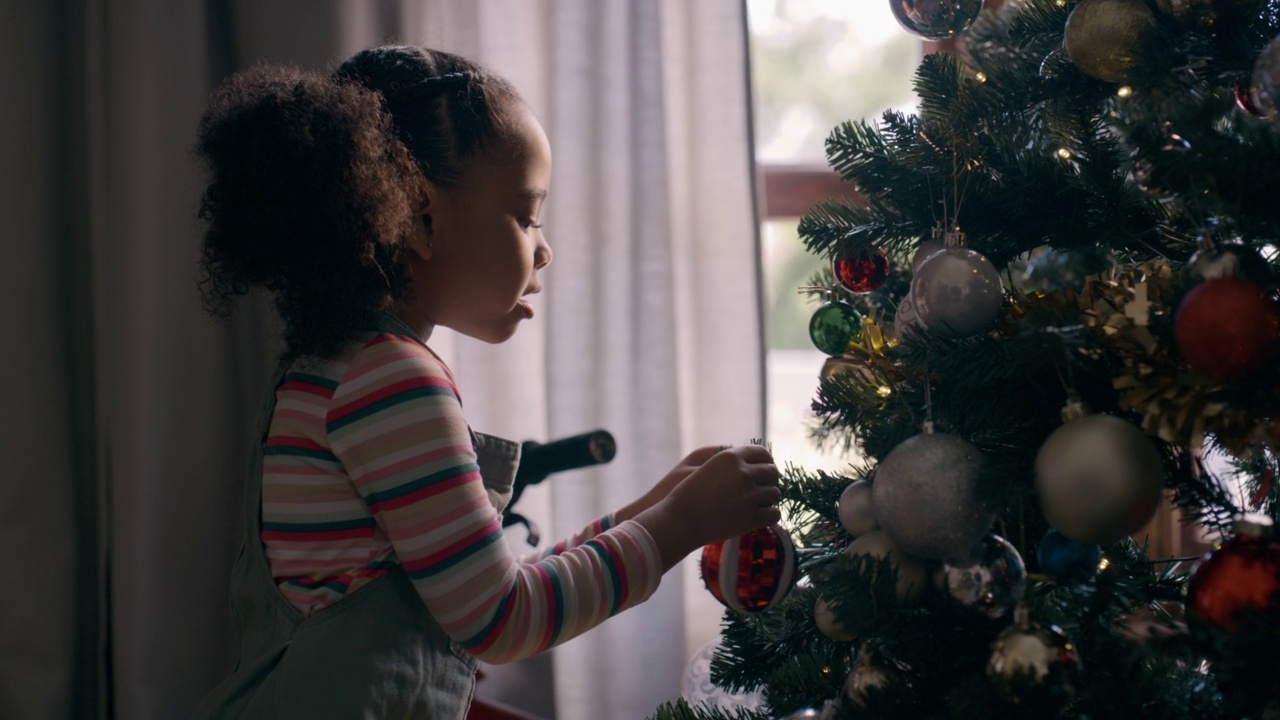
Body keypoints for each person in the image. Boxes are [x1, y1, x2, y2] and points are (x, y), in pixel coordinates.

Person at [190, 46, 781, 719]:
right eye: (526, 215)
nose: (544, 247)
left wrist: (653, 507)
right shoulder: (392, 379)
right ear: (420, 217)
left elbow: (484, 586)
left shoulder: (336, 366)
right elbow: (502, 620)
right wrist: (680, 526)